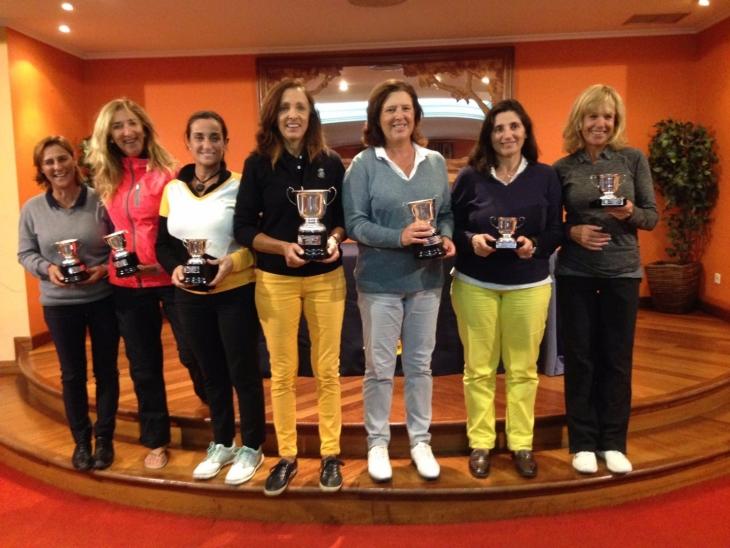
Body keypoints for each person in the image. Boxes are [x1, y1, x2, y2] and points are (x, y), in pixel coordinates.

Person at [234, 79, 346, 496]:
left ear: (311, 115)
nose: (293, 115)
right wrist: (283, 248)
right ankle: (286, 456)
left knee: (328, 370)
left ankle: (331, 454)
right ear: (273, 117)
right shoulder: (257, 163)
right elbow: (244, 228)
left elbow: (342, 221)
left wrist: (333, 240)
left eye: (300, 107)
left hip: (325, 280)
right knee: (282, 372)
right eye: (284, 108)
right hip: (276, 280)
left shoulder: (331, 161)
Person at [343, 79, 455, 483]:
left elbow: (445, 214)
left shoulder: (435, 163)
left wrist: (446, 237)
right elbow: (355, 223)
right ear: (377, 118)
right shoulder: (363, 164)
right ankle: (377, 442)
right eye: (390, 110)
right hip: (379, 283)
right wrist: (399, 237)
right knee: (379, 368)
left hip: (427, 280)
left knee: (421, 365)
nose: (399, 116)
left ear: (416, 114)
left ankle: (419, 440)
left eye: (405, 108)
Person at [88, 98, 205, 470]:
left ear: (145, 128)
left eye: (132, 124)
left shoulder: (169, 175)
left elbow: (183, 228)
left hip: (169, 278)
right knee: (144, 364)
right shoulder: (104, 180)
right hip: (127, 287)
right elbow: (106, 232)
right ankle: (155, 439)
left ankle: (213, 400)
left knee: (193, 351)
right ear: (109, 135)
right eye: (118, 126)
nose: (127, 132)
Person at [450, 99, 562, 479]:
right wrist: (471, 241)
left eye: (513, 126)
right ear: (489, 136)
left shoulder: (546, 176)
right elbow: (452, 227)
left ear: (525, 132)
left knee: (523, 370)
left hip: (529, 285)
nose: (506, 134)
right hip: (475, 285)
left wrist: (536, 245)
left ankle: (521, 443)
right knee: (478, 369)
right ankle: (481, 442)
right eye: (498, 128)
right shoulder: (470, 177)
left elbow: (556, 230)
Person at [156, 111, 266, 484]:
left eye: (215, 137)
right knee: (210, 372)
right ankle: (222, 442)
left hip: (235, 292)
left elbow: (256, 242)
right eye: (199, 137)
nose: (207, 145)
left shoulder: (242, 184)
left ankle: (252, 446)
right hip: (189, 296)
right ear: (187, 142)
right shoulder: (172, 190)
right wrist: (172, 268)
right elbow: (163, 243)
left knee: (243, 372)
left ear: (225, 143)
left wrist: (232, 262)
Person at [555, 84, 658, 475]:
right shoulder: (563, 168)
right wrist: (572, 233)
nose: (600, 123)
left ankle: (613, 442)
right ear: (579, 122)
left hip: (622, 273)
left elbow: (651, 216)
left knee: (616, 359)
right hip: (576, 273)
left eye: (608, 117)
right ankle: (582, 442)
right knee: (580, 358)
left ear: (615, 122)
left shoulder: (633, 160)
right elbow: (552, 225)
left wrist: (629, 211)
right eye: (593, 116)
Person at [18, 136, 120, 471]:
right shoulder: (32, 209)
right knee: (72, 374)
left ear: (74, 160)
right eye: (49, 162)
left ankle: (104, 438)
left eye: (62, 159)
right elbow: (25, 253)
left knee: (106, 370)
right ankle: (81, 441)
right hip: (59, 304)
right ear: (42, 169)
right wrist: (48, 269)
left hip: (102, 298)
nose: (57, 167)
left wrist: (103, 269)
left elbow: (118, 246)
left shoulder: (100, 200)